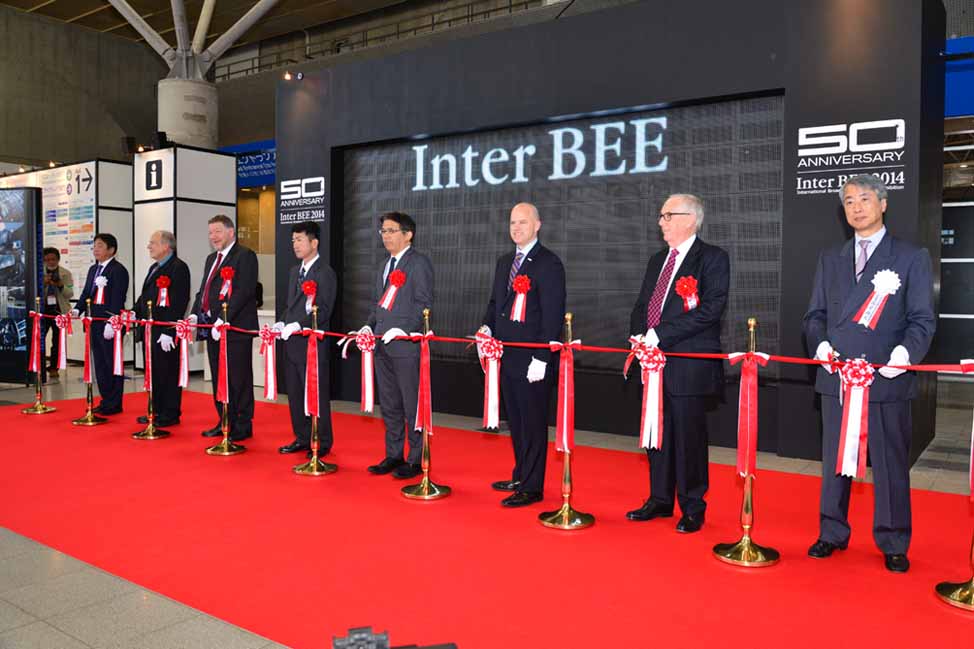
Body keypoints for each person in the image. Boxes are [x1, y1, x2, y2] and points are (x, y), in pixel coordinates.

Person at [802, 174, 935, 573]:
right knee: (834, 461)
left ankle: (893, 539)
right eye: (848, 201)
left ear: (883, 203)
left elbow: (922, 320)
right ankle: (831, 532)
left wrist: (903, 355)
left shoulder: (910, 257)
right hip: (837, 377)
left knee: (891, 463)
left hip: (885, 378)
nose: (856, 207)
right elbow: (815, 316)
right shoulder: (831, 257)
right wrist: (820, 345)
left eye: (863, 199)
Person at [625, 194, 729, 533]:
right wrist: (640, 336)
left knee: (688, 436)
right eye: (661, 215)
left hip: (689, 363)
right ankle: (659, 499)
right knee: (656, 432)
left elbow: (710, 310)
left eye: (667, 215)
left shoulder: (712, 258)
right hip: (653, 362)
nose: (661, 222)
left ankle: (692, 505)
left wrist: (660, 335)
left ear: (690, 219)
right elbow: (643, 305)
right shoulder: (658, 260)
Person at [481, 202, 566, 507]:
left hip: (532, 359)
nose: (516, 228)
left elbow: (553, 314)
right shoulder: (505, 262)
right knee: (515, 421)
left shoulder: (548, 263)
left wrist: (542, 356)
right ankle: (520, 474)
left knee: (532, 423)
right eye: (512, 222)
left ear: (537, 225)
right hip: (506, 356)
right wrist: (487, 328)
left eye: (523, 222)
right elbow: (496, 303)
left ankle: (532, 487)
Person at [361, 212, 434, 480]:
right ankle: (394, 454)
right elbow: (379, 303)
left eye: (391, 230)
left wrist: (403, 330)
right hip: (382, 344)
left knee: (411, 403)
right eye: (383, 231)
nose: (386, 236)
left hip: (405, 345)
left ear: (408, 234)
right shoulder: (385, 265)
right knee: (390, 403)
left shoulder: (419, 263)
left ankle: (416, 459)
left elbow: (423, 303)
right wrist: (370, 325)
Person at [189, 215, 259, 440]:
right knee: (219, 375)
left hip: (234, 327)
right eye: (210, 233)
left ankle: (242, 424)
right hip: (212, 328)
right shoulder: (212, 259)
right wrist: (193, 314)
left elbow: (244, 291)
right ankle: (224, 419)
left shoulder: (244, 256)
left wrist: (224, 317)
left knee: (238, 377)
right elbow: (203, 290)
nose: (213, 237)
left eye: (218, 231)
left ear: (231, 232)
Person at [276, 221, 338, 458]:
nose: (295, 245)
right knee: (294, 392)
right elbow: (291, 306)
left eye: (300, 240)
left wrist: (298, 325)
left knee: (315, 393)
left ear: (314, 242)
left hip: (312, 345)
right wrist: (283, 321)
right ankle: (302, 437)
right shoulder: (295, 272)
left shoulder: (325, 272)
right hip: (291, 343)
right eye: (293, 240)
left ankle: (321, 440)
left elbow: (323, 309)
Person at [132, 231, 191, 426]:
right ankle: (155, 409)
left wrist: (170, 329)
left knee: (168, 371)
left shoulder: (179, 268)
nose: (149, 246)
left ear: (167, 246)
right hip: (152, 328)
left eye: (153, 243)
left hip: (167, 330)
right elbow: (145, 296)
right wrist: (134, 312)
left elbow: (180, 301)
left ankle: (170, 413)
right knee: (154, 371)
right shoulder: (154, 267)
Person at [73, 233, 130, 415]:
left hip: (109, 325)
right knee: (100, 364)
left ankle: (114, 402)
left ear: (111, 250)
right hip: (93, 324)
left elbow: (117, 298)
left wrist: (111, 321)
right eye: (94, 246)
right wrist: (77, 310)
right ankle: (106, 400)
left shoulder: (118, 270)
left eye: (100, 246)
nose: (95, 249)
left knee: (111, 362)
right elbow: (86, 294)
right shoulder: (93, 269)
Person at [41, 247, 73, 379]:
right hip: (43, 311)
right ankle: (40, 366)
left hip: (59, 311)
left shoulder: (65, 273)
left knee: (57, 341)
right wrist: (43, 283)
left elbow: (70, 294)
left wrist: (60, 285)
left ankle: (54, 367)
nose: (50, 262)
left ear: (58, 259)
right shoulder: (38, 272)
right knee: (40, 339)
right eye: (47, 259)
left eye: (53, 259)